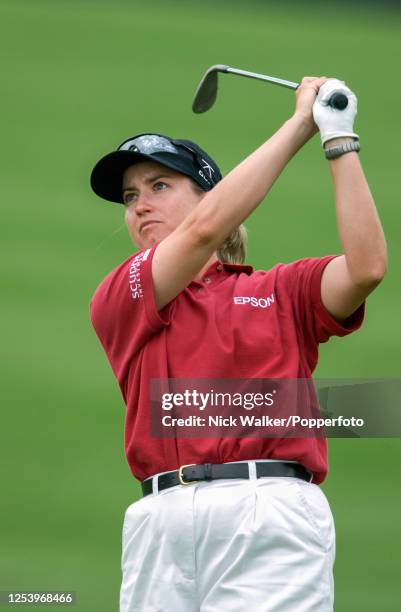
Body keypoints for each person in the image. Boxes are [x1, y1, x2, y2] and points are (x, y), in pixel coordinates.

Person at [89, 76, 387, 611]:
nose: (139, 206)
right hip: (160, 520)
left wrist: (338, 140)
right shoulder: (124, 294)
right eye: (131, 196)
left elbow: (366, 268)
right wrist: (300, 123)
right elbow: (202, 233)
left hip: (269, 510)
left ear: (213, 196)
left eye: (160, 186)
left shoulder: (280, 291)